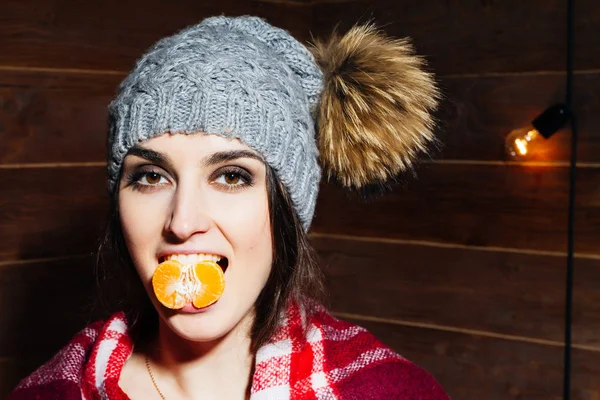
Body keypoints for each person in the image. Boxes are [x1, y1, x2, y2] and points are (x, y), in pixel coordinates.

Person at [9, 15, 449, 400]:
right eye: (151, 176)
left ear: (288, 210)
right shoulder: (50, 393)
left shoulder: (393, 392)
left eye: (232, 176)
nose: (183, 222)